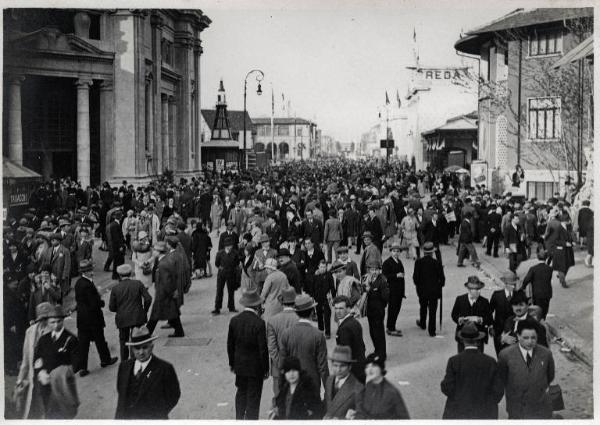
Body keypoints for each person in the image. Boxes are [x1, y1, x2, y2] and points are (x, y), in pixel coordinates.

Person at [440, 322, 504, 419]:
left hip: (458, 411)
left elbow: (446, 387)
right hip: (485, 412)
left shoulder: (454, 361)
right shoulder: (490, 361)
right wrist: (489, 403)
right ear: (478, 341)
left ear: (462, 340)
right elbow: (498, 390)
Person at [115, 326, 181, 419]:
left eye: (145, 347)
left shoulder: (164, 368)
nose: (141, 352)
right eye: (137, 348)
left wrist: (157, 413)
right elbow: (121, 392)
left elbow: (173, 396)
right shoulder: (124, 367)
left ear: (152, 347)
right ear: (132, 349)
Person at [498, 318, 555, 419]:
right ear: (518, 336)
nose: (530, 342)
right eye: (525, 337)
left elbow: (550, 376)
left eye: (533, 338)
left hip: (539, 408)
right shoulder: (505, 355)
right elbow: (502, 379)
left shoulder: (546, 354)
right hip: (516, 408)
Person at [227, 290, 269, 420]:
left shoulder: (234, 321)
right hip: (255, 368)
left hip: (240, 366)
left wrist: (232, 363)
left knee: (241, 393)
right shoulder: (259, 323)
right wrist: (265, 369)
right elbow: (263, 349)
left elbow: (230, 345)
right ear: (257, 306)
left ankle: (239, 418)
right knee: (253, 397)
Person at [33, 305, 79, 419]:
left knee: (66, 413)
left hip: (63, 384)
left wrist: (60, 372)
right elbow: (37, 358)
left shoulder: (71, 339)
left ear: (63, 320)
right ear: (47, 323)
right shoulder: (44, 339)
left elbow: (76, 363)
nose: (56, 325)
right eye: (52, 322)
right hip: (45, 384)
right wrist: (40, 372)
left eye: (59, 321)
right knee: (50, 414)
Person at [74, 260, 117, 376]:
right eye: (90, 270)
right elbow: (93, 303)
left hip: (82, 318)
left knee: (83, 343)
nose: (92, 272)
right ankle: (105, 360)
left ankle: (82, 367)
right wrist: (100, 298)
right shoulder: (88, 285)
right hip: (93, 318)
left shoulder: (79, 283)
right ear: (86, 272)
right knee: (100, 340)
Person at [279, 294, 329, 392]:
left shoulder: (286, 334)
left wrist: (282, 387)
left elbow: (282, 363)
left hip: (293, 383)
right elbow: (323, 367)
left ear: (297, 313)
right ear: (312, 312)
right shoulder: (318, 335)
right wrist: (328, 391)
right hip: (312, 382)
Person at [14, 302, 53, 419]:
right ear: (38, 318)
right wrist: (20, 380)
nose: (44, 321)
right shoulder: (30, 332)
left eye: (47, 318)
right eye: (42, 318)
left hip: (49, 378)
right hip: (34, 379)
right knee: (34, 410)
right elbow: (26, 360)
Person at [109, 264, 152, 361]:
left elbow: (111, 307)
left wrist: (120, 310)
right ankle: (135, 359)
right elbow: (148, 299)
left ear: (120, 275)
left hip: (122, 318)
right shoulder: (138, 284)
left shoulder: (115, 288)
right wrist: (144, 310)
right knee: (136, 339)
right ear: (131, 273)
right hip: (137, 317)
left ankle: (124, 362)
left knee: (123, 340)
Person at [266, 287, 299, 409]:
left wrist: (279, 362)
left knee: (279, 395)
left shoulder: (273, 320)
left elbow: (272, 346)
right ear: (295, 302)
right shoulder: (299, 319)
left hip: (278, 366)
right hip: (297, 364)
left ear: (281, 302)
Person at [352, 353, 410, 419]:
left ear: (381, 368)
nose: (370, 369)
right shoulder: (365, 387)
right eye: (367, 367)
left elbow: (404, 417)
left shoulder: (390, 392)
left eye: (374, 366)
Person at [146, 242, 184, 337]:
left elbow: (167, 281)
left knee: (155, 315)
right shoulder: (164, 261)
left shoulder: (163, 264)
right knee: (173, 312)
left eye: (154, 250)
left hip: (163, 294)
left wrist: (171, 292)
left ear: (159, 252)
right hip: (165, 293)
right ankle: (179, 331)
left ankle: (146, 334)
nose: (153, 252)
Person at [451, 276, 492, 353]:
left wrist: (480, 319)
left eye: (479, 289)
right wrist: (459, 320)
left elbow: (490, 318)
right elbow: (454, 314)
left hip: (479, 337)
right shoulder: (460, 299)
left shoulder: (484, 301)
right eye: (475, 289)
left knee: (478, 360)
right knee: (462, 358)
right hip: (463, 336)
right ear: (469, 290)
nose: (478, 291)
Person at [323, 345, 364, 419]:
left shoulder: (358, 388)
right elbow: (326, 403)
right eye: (335, 365)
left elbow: (361, 416)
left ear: (350, 367)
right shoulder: (329, 380)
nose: (338, 370)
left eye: (342, 366)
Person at [413, 242, 445, 337]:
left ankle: (423, 323)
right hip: (434, 291)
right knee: (432, 310)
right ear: (432, 252)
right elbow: (442, 279)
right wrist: (440, 285)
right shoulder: (437, 263)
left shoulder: (418, 262)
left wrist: (418, 286)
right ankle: (432, 331)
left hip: (422, 290)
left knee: (423, 306)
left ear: (424, 252)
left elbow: (415, 278)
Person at [333, 295, 366, 383]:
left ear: (348, 308)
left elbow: (345, 355)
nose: (337, 311)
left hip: (353, 373)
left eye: (341, 308)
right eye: (336, 308)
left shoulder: (344, 328)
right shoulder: (355, 322)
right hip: (360, 368)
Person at [363, 258, 389, 360]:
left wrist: (371, 291)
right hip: (370, 311)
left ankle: (382, 353)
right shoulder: (367, 279)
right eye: (372, 270)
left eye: (376, 270)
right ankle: (377, 350)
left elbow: (385, 297)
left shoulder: (382, 281)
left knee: (379, 332)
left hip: (378, 311)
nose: (374, 272)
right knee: (372, 332)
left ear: (380, 270)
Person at [489, 271, 518, 355]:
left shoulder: (519, 295)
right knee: (500, 354)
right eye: (511, 284)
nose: (513, 286)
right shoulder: (496, 295)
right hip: (498, 331)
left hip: (513, 332)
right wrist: (490, 326)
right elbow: (489, 311)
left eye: (514, 284)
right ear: (505, 283)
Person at [521, 250, 553, 319]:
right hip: (547, 293)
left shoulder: (533, 269)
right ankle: (543, 321)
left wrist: (523, 287)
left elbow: (527, 279)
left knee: (537, 311)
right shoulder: (550, 269)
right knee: (545, 310)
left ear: (538, 257)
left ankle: (539, 323)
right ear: (546, 258)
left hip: (537, 293)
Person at [382, 243, 405, 337]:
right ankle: (390, 328)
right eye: (394, 251)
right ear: (390, 252)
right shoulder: (387, 262)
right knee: (392, 309)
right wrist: (396, 275)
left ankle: (392, 326)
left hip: (399, 290)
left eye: (397, 251)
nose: (396, 253)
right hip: (392, 290)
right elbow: (384, 276)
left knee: (397, 309)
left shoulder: (399, 261)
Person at [213, 237, 240, 315]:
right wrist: (221, 268)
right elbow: (217, 263)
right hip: (222, 274)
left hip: (231, 273)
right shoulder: (220, 253)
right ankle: (217, 308)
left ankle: (231, 307)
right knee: (219, 291)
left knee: (231, 291)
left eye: (231, 245)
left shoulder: (235, 253)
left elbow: (237, 263)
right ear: (225, 246)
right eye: (228, 245)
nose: (230, 247)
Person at [313, 259, 336, 338]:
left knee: (327, 316)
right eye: (321, 267)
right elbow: (313, 287)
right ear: (318, 267)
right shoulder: (316, 275)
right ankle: (320, 330)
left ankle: (327, 332)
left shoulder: (329, 275)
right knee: (319, 315)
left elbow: (332, 287)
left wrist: (333, 297)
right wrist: (313, 297)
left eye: (324, 267)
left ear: (326, 267)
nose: (323, 268)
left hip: (327, 298)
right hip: (318, 298)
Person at [106, 210, 126, 280]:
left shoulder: (114, 224)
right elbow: (116, 237)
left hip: (116, 246)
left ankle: (116, 274)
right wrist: (120, 246)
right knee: (118, 261)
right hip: (117, 247)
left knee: (117, 261)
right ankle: (116, 275)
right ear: (120, 217)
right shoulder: (115, 225)